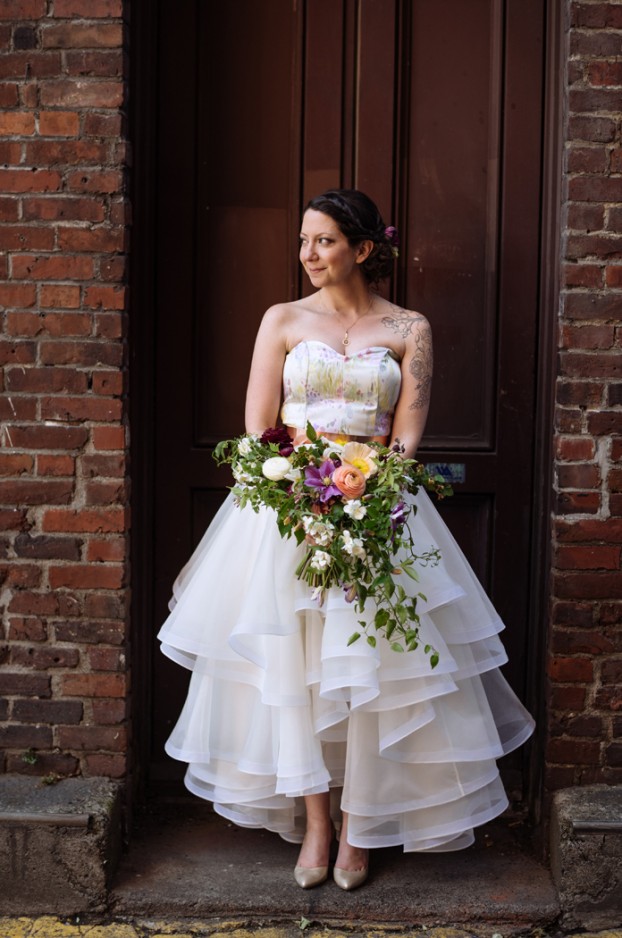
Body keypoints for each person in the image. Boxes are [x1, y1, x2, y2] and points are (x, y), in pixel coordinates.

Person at [157, 189, 535, 891]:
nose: (308, 254)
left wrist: (371, 492)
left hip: (377, 509)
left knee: (373, 671)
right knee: (295, 668)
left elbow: (409, 433)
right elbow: (258, 427)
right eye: (303, 241)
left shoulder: (410, 328)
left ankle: (362, 827)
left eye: (324, 241)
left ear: (363, 249)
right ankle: (318, 826)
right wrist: (296, 492)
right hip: (286, 514)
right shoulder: (281, 320)